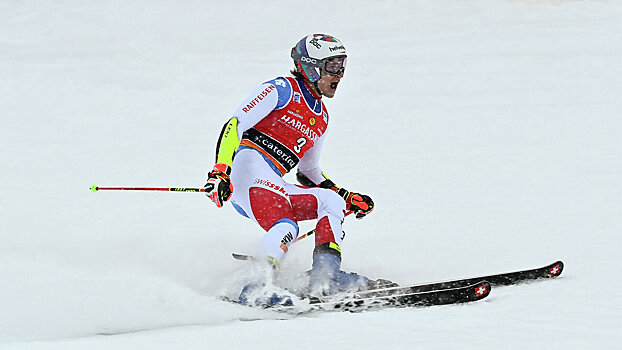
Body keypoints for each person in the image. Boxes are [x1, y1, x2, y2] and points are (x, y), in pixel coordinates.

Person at [204, 34, 376, 306]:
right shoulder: (282, 89)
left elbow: (308, 173)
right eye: (332, 66)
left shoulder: (321, 117)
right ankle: (256, 287)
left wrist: (346, 195)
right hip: (248, 171)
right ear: (310, 67)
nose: (340, 73)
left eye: (343, 64)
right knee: (286, 225)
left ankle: (325, 279)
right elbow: (234, 124)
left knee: (331, 201)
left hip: (273, 181)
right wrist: (220, 172)